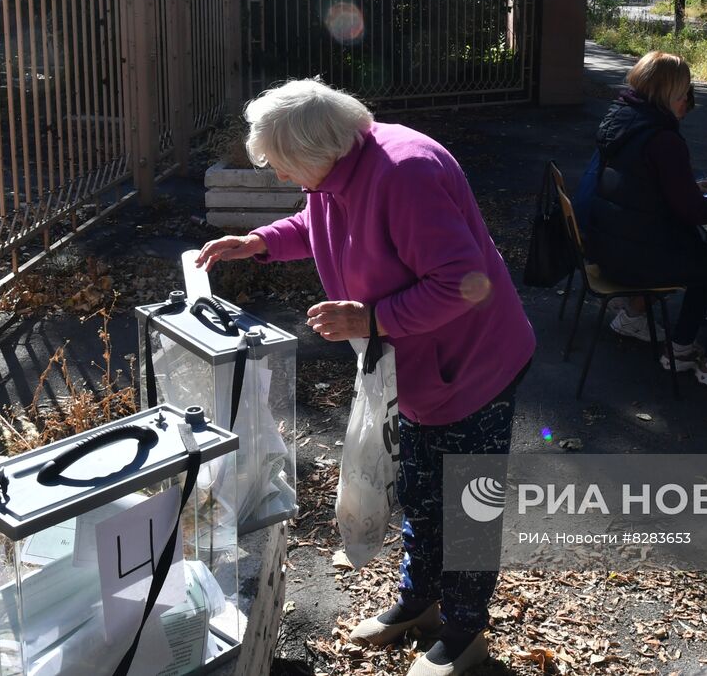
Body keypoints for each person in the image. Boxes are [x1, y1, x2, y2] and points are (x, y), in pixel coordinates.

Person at [195, 79, 534, 676]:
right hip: (417, 365)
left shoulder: (405, 173)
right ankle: (420, 601)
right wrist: (256, 243)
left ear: (315, 148)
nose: (279, 177)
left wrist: (372, 316)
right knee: (423, 487)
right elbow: (316, 223)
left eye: (281, 165)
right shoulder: (338, 168)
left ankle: (464, 631)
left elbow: (461, 280)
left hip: (472, 363)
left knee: (467, 502)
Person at [585, 50, 707, 386]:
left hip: (610, 246)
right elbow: (694, 212)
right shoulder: (663, 139)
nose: (687, 99)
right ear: (668, 93)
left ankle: (680, 348)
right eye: (683, 92)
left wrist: (687, 186)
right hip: (638, 258)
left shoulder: (623, 119)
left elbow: (639, 184)